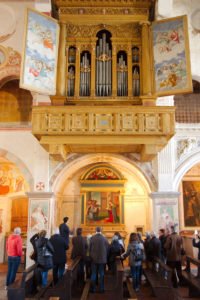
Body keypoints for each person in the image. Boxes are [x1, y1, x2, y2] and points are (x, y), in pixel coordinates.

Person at [90, 226, 109, 293]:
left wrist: (91, 256)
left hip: (94, 259)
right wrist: (105, 257)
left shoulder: (92, 238)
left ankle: (93, 289)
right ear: (101, 231)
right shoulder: (104, 239)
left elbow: (90, 249)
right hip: (102, 259)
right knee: (101, 274)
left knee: (94, 274)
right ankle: (101, 289)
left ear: (95, 230)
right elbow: (107, 249)